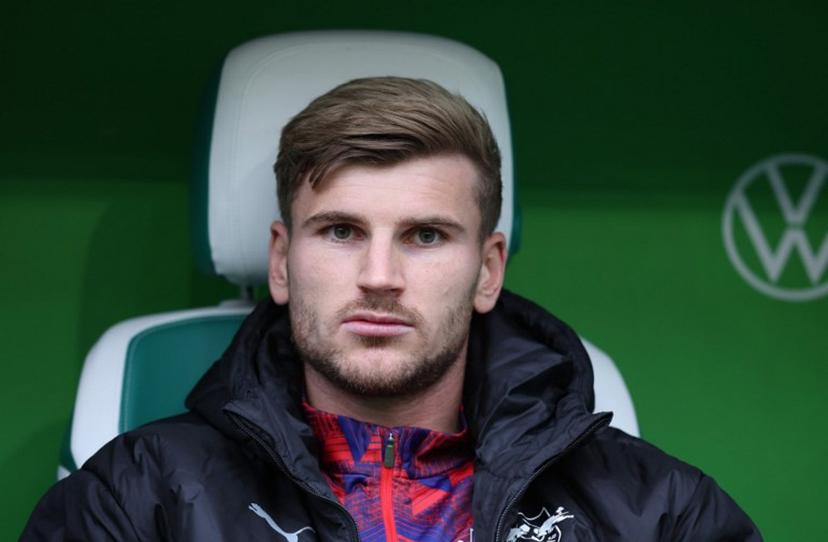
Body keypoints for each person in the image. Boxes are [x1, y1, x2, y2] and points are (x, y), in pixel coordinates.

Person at [22, 77, 762, 541]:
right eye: (341, 231)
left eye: (426, 235)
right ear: (282, 261)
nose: (380, 277)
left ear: (488, 270)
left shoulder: (660, 510)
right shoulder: (136, 499)